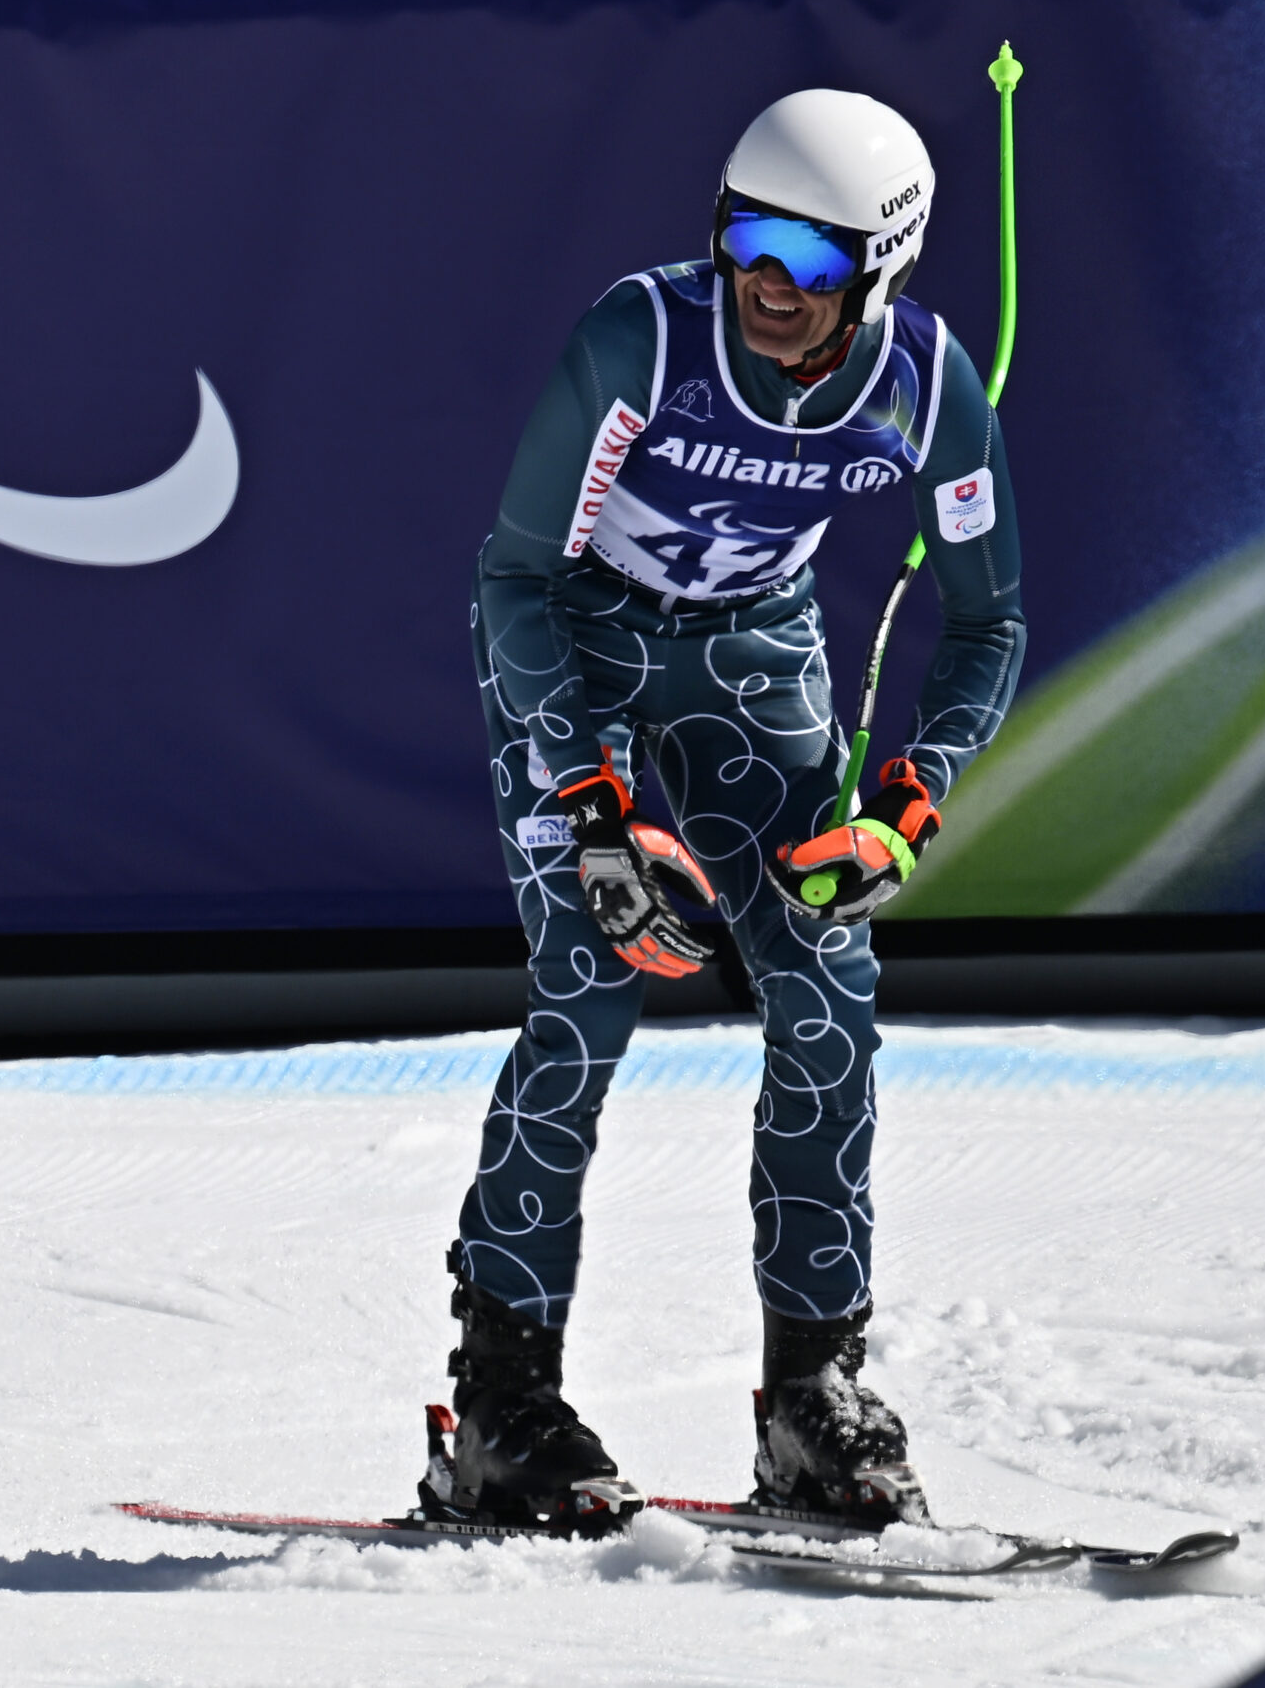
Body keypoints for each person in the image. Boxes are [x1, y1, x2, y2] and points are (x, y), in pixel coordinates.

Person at [433, 89, 1026, 1532]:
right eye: (747, 240)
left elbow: (988, 622)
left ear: (882, 268)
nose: (768, 283)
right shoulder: (638, 338)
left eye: (812, 260)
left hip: (754, 663)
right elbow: (514, 576)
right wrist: (590, 801)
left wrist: (909, 805)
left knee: (828, 993)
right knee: (590, 992)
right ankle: (500, 1405)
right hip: (579, 647)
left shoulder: (928, 382)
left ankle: (814, 1395)